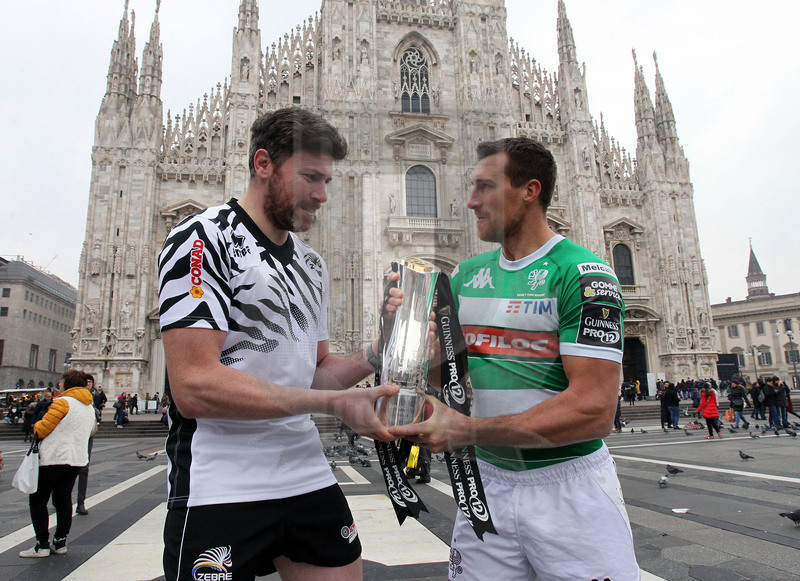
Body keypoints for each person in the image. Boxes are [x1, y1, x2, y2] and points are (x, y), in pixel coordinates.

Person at [157, 107, 404, 581]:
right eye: (310, 176)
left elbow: (313, 373)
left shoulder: (312, 265)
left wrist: (380, 349)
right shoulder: (202, 239)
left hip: (303, 469)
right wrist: (333, 403)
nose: (322, 194)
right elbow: (193, 387)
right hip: (221, 480)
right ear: (264, 164)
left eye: (327, 180)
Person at [390, 137, 639, 580]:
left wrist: (467, 430)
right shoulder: (466, 275)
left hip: (568, 487)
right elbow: (448, 376)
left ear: (530, 191)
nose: (470, 201)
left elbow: (595, 410)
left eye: (484, 187)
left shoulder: (584, 275)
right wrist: (412, 344)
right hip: (486, 483)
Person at [19, 369, 96, 558]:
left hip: (54, 457)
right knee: (63, 499)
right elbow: (92, 430)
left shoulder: (63, 402)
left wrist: (35, 426)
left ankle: (42, 545)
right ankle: (60, 542)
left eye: (61, 381)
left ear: (68, 383)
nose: (59, 384)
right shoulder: (89, 407)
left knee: (38, 500)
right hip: (76, 459)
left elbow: (43, 429)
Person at [76, 373, 99, 515]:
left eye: (90, 381)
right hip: (72, 435)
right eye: (87, 381)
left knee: (84, 469)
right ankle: (58, 496)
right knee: (67, 469)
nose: (88, 384)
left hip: (87, 435)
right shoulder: (70, 398)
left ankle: (80, 502)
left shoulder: (94, 397)